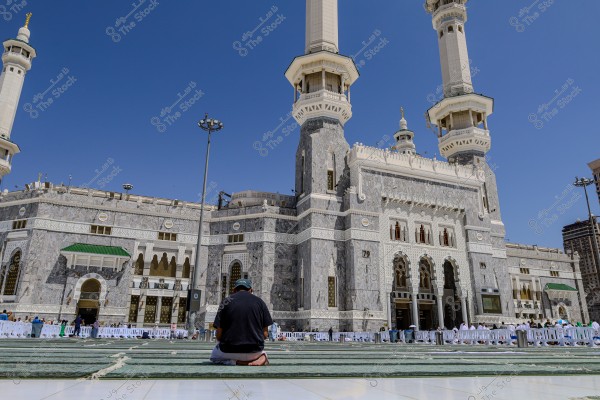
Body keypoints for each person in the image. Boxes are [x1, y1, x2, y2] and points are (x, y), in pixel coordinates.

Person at [210, 278, 272, 366]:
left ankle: (237, 362)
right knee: (261, 351)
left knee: (214, 357)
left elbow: (219, 335)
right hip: (254, 352)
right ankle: (262, 357)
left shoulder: (226, 302)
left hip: (229, 351)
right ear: (251, 290)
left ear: (234, 290)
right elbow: (265, 335)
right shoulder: (260, 302)